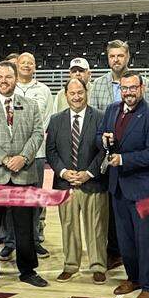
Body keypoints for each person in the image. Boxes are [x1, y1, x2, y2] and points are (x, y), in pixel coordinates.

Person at [0, 61, 47, 295]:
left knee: (25, 227)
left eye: (8, 77)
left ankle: (28, 271)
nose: (4, 81)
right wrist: (4, 159)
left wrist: (23, 157)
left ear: (15, 79)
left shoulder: (30, 104)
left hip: (23, 173)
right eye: (0, 77)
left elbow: (37, 133)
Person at [99, 69, 149, 298]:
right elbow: (101, 136)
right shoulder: (111, 110)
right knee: (125, 239)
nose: (128, 92)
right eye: (124, 88)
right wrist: (104, 140)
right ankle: (133, 278)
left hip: (144, 187)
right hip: (118, 186)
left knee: (145, 239)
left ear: (142, 88)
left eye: (133, 88)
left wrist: (124, 160)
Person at [45, 77, 108, 283]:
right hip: (65, 184)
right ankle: (70, 265)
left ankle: (98, 265)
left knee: (96, 227)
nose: (76, 97)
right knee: (69, 226)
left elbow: (104, 151)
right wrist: (63, 172)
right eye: (72, 93)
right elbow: (51, 151)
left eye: (80, 92)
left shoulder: (100, 117)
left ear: (86, 92)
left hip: (93, 182)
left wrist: (88, 173)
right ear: (66, 95)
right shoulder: (55, 120)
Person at [13, 52, 52, 258]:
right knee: (13, 198)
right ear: (17, 65)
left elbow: (45, 122)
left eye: (31, 62)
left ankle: (35, 239)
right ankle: (11, 242)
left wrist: (29, 145)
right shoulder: (10, 87)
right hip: (11, 155)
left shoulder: (44, 90)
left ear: (35, 66)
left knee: (35, 199)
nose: (27, 65)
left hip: (36, 153)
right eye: (23, 62)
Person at [88, 40, 149, 109]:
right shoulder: (98, 84)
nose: (116, 60)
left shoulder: (145, 83)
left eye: (120, 56)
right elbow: (94, 116)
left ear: (128, 57)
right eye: (112, 56)